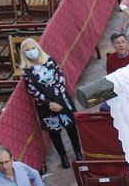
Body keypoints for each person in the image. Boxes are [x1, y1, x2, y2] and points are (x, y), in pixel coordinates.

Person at [18, 38, 83, 169]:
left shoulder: (50, 62)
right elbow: (33, 91)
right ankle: (63, 156)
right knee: (54, 132)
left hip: (62, 100)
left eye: (32, 48)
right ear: (23, 54)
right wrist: (50, 103)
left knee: (71, 127)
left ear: (38, 48)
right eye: (27, 50)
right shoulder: (26, 71)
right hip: (45, 106)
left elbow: (60, 80)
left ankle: (77, 152)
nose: (31, 52)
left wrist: (58, 101)